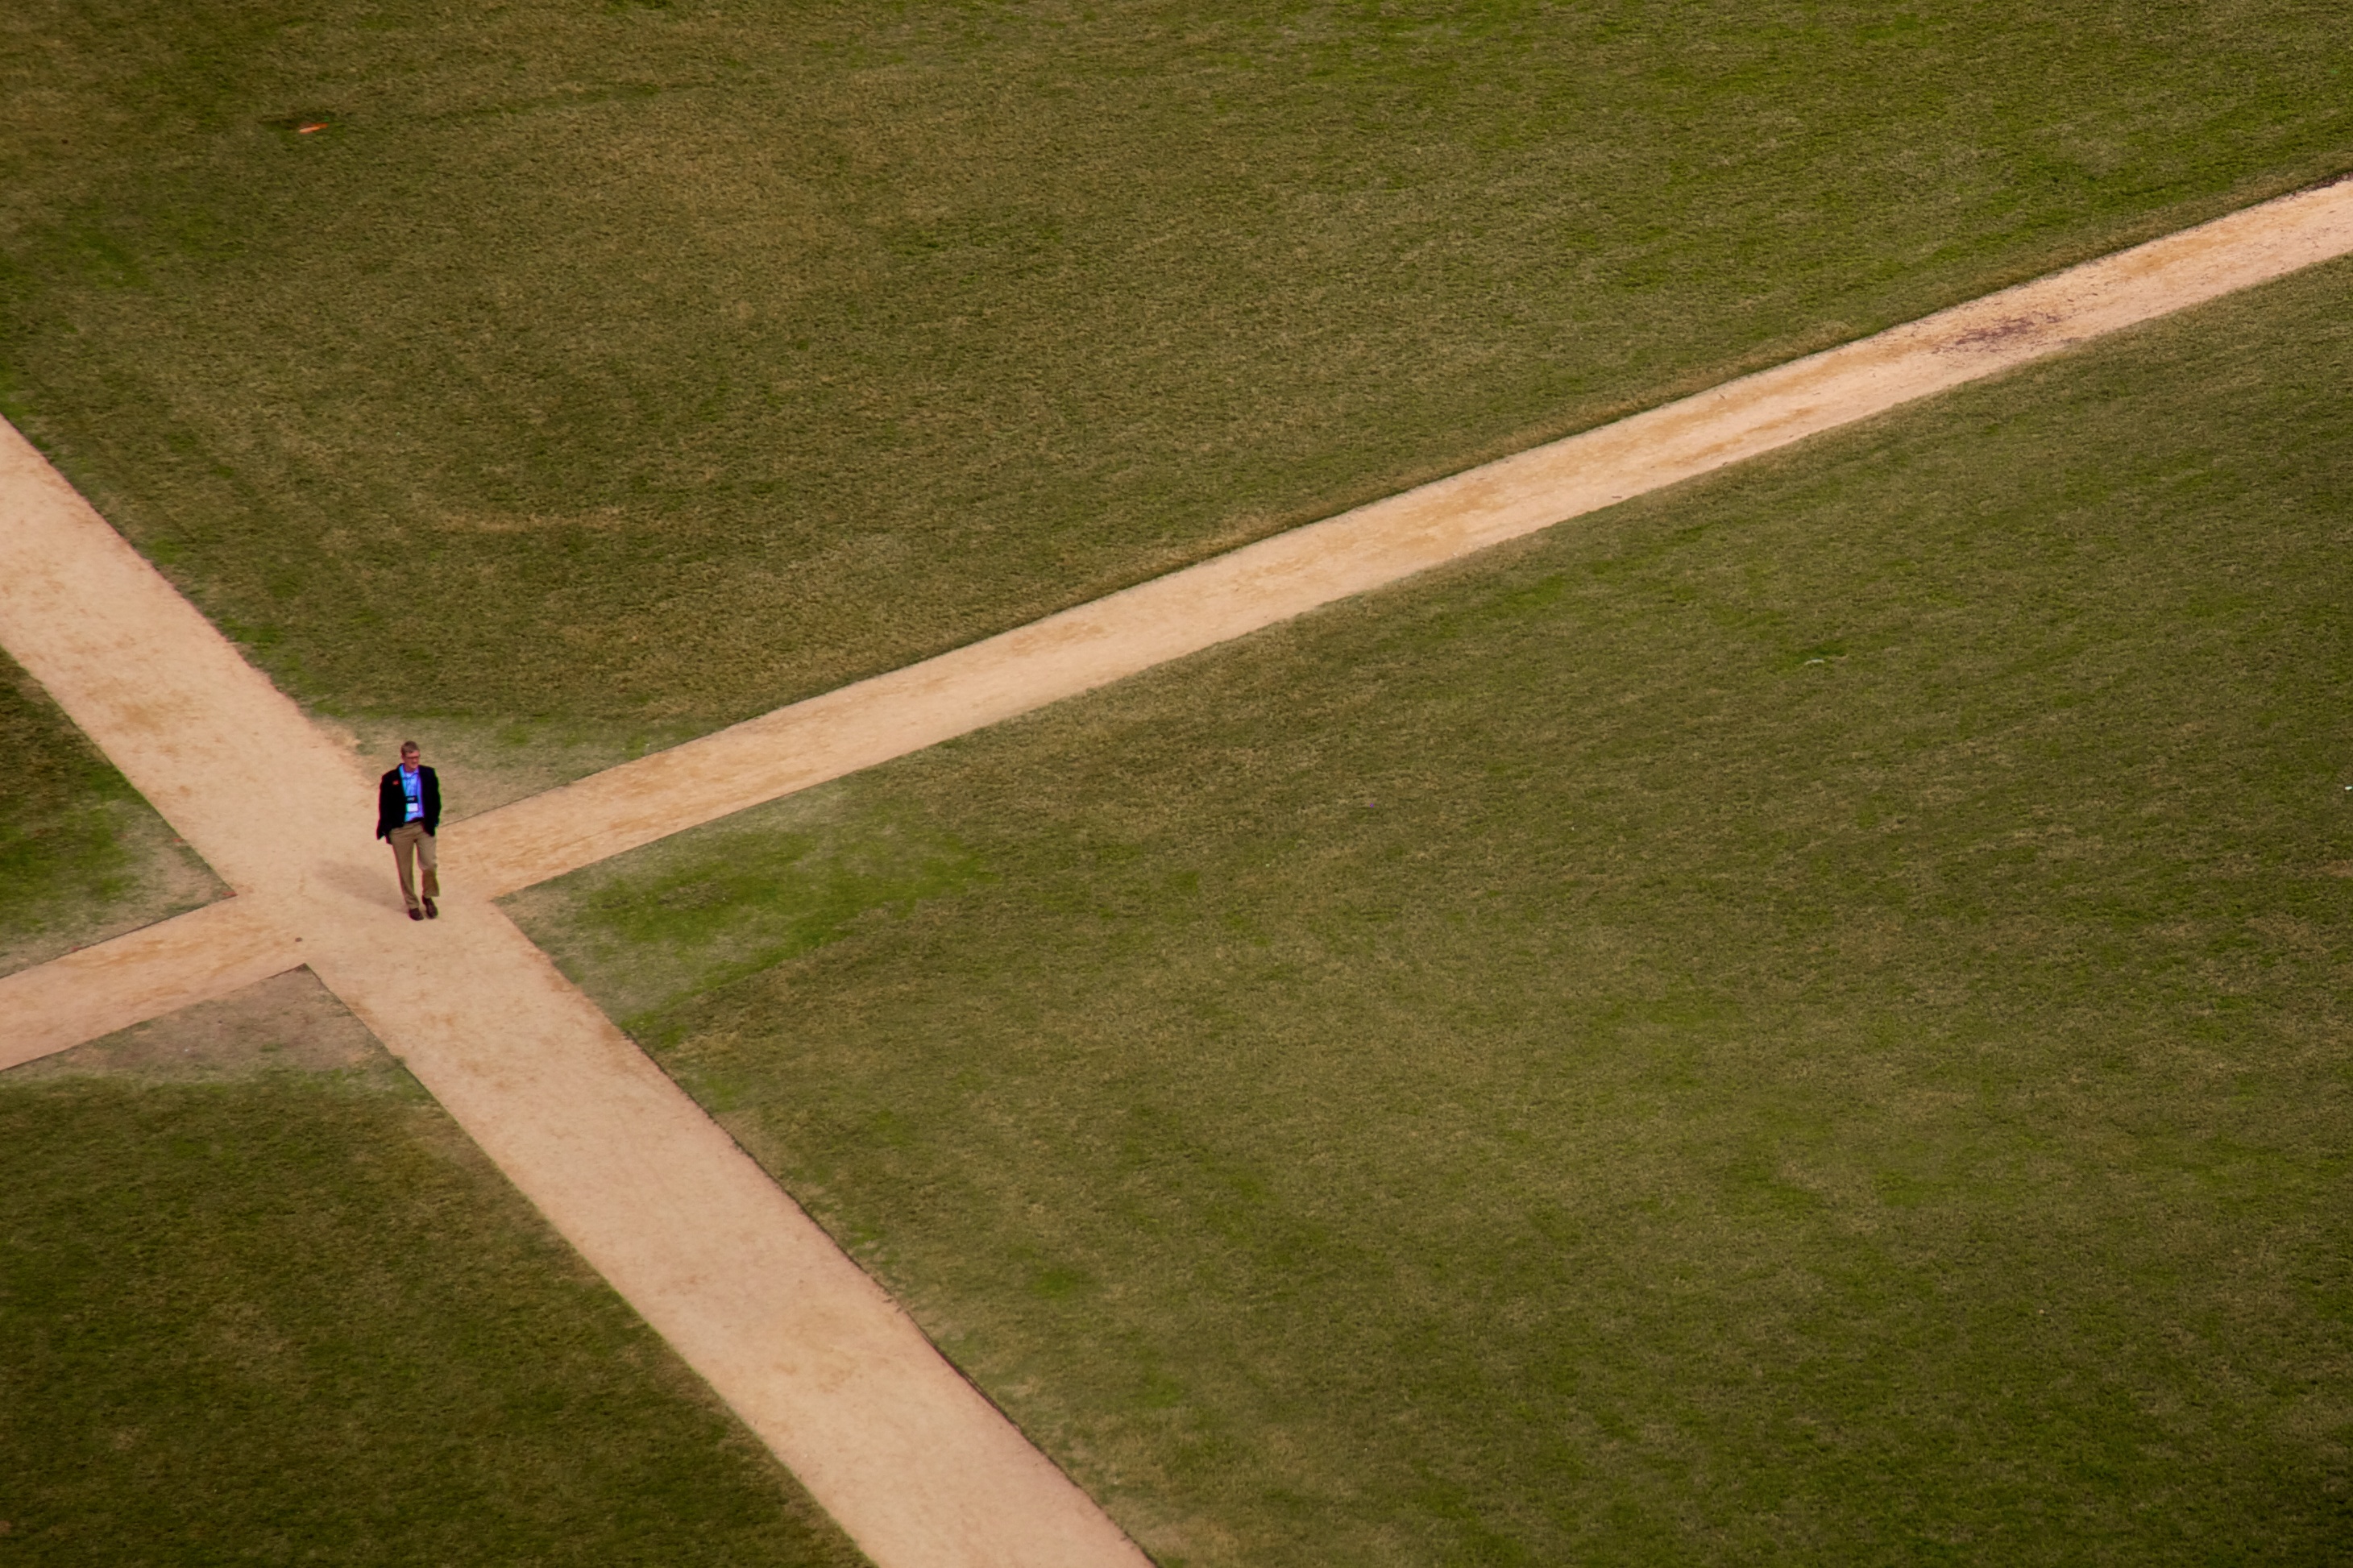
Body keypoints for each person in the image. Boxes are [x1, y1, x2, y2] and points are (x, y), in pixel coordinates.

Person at [376, 741, 442, 920]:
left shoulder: (428, 774)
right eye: (411, 758)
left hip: (423, 826)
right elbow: (384, 806)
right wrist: (388, 830)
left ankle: (428, 896)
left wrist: (434, 820)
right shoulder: (390, 779)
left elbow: (436, 799)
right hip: (401, 829)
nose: (415, 761)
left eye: (417, 757)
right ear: (403, 757)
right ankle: (412, 904)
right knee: (405, 870)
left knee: (429, 864)